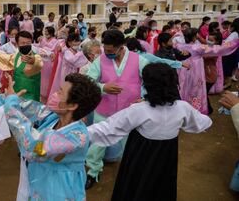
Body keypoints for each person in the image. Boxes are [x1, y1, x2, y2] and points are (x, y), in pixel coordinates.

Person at [88, 63, 212, 201]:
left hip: (140, 156)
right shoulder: (183, 108)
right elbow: (203, 122)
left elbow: (108, 127)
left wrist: (78, 133)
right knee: (161, 185)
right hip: (166, 157)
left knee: (136, 185)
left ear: (148, 86)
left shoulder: (139, 110)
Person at [0, 73, 102, 201]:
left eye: (60, 92)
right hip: (37, 184)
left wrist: (11, 103)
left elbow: (34, 148)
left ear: (72, 105)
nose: (54, 94)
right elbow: (19, 102)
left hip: (57, 192)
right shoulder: (53, 116)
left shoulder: (76, 138)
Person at [84, 30, 149, 189]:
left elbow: (150, 81)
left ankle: (132, 173)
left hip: (130, 111)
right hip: (104, 110)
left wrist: (145, 97)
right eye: (105, 50)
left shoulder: (139, 60)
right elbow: (88, 80)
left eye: (111, 51)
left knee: (131, 144)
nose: (107, 53)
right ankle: (93, 171)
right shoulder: (100, 60)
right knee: (97, 144)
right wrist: (102, 86)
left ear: (122, 47)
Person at [175, 28, 239, 114]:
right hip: (195, 70)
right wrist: (235, 42)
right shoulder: (198, 47)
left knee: (183, 87)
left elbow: (172, 44)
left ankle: (184, 107)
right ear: (194, 37)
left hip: (183, 69)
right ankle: (195, 108)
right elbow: (217, 49)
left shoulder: (179, 46)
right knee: (195, 88)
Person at [0, 31, 43, 101]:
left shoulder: (36, 56)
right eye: (23, 43)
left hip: (31, 95)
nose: (26, 45)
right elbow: (7, 58)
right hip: (17, 92)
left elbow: (38, 63)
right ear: (17, 44)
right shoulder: (16, 56)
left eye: (28, 43)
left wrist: (32, 61)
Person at [36, 27, 58, 103]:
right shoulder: (42, 40)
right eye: (45, 32)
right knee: (42, 79)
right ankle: (42, 96)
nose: (46, 33)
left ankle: (50, 97)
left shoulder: (56, 41)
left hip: (50, 63)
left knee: (49, 79)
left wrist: (51, 54)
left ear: (51, 32)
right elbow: (38, 47)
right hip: (43, 63)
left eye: (47, 32)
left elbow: (56, 52)